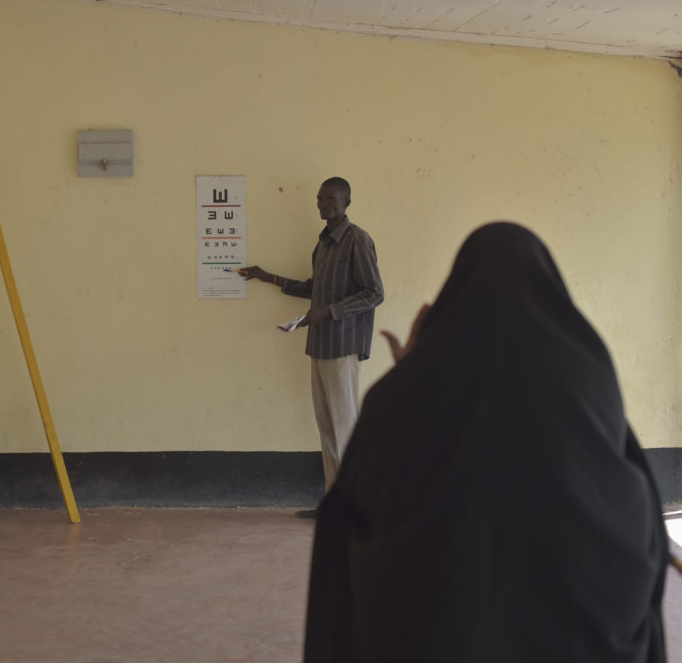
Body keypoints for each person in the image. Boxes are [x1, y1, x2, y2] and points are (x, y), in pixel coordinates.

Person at [304, 222, 667, 662]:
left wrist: (411, 372)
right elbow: (637, 508)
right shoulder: (583, 376)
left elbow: (348, 514)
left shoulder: (405, 394)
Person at [240, 177, 384, 518]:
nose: (324, 204)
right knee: (328, 428)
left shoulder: (357, 240)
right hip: (319, 345)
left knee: (345, 428)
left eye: (331, 200)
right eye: (320, 199)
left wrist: (328, 312)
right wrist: (268, 278)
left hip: (343, 347)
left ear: (347, 201)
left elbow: (374, 294)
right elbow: (313, 289)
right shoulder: (322, 245)